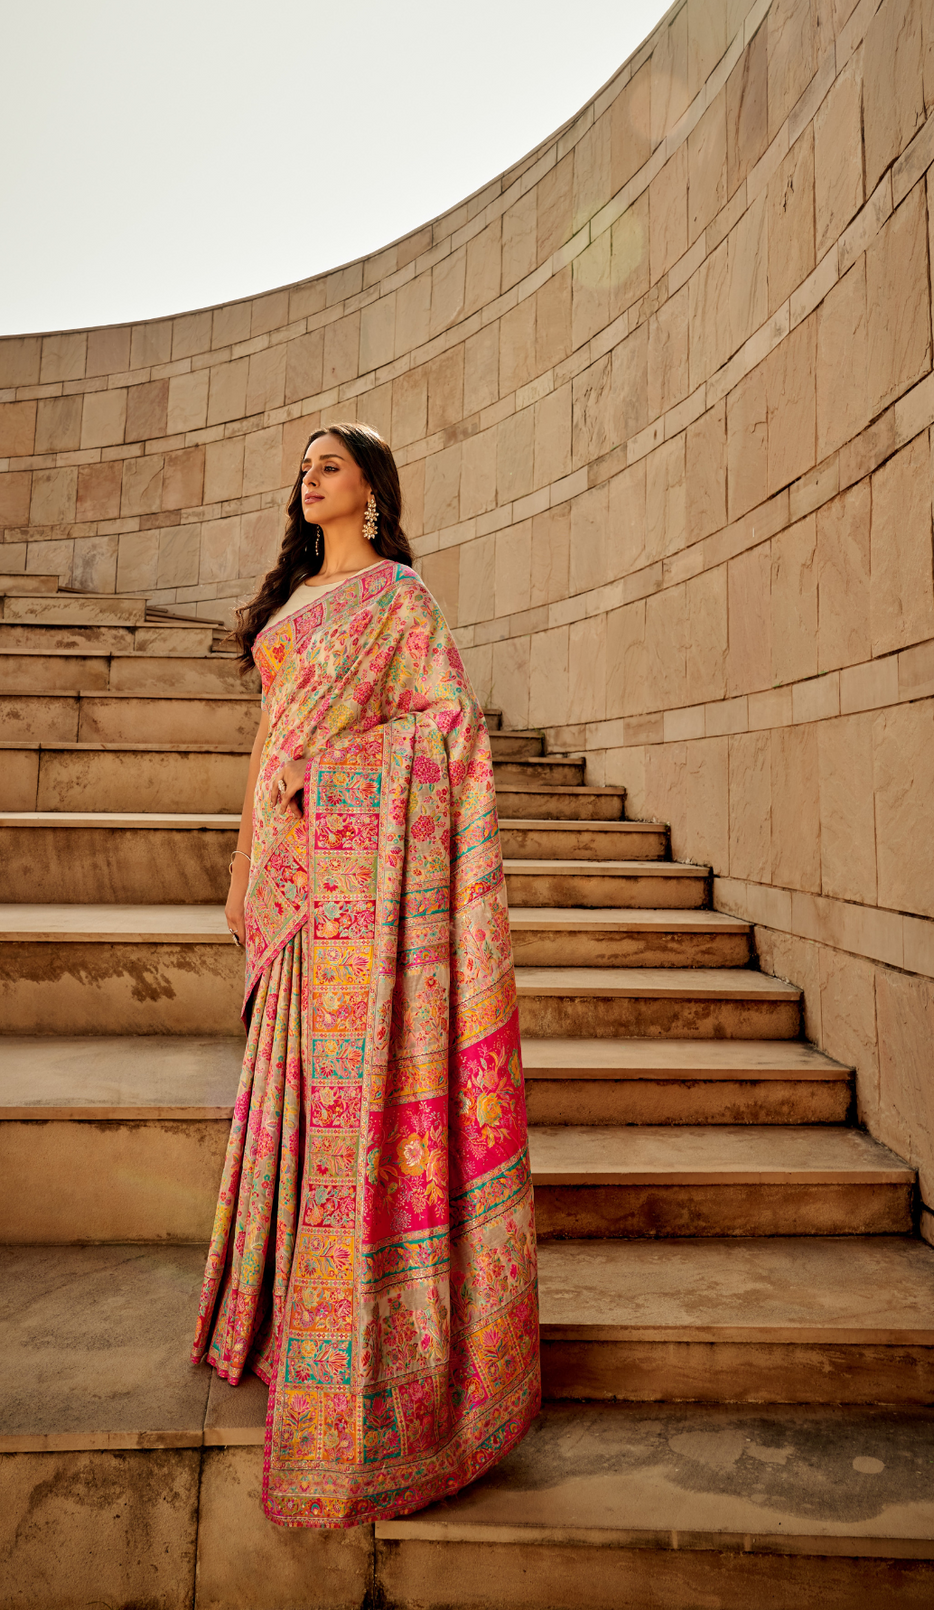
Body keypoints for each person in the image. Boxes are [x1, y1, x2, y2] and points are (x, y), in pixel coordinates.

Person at [191, 421, 540, 1528]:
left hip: (359, 879)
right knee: (294, 1090)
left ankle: (348, 1317)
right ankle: (277, 1308)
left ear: (371, 491)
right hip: (288, 872)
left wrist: (341, 772)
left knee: (349, 1100)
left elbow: (446, 728)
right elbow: (266, 743)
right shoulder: (294, 606)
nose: (310, 477)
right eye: (303, 467)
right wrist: (242, 864)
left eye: (329, 464)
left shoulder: (398, 599)